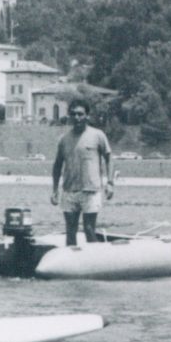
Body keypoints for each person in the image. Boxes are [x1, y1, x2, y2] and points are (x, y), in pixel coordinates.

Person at [50, 98, 113, 247]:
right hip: (69, 191)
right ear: (70, 116)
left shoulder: (98, 135)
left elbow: (109, 158)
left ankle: (96, 263)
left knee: (89, 229)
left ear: (87, 116)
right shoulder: (64, 139)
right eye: (73, 114)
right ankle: (71, 264)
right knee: (70, 231)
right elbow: (57, 165)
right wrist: (54, 190)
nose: (77, 117)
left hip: (90, 190)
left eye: (80, 114)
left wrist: (110, 183)